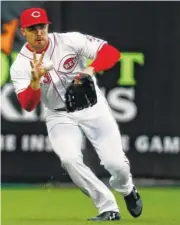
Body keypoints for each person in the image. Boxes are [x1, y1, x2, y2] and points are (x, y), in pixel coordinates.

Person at [10, 7, 143, 221]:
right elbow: (28, 105)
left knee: (115, 163)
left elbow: (111, 53)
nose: (39, 32)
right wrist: (35, 80)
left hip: (91, 107)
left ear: (47, 27)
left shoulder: (69, 41)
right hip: (58, 115)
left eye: (42, 27)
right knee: (70, 159)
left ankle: (126, 188)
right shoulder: (20, 65)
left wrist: (90, 70)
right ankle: (107, 207)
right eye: (32, 28)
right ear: (23, 31)